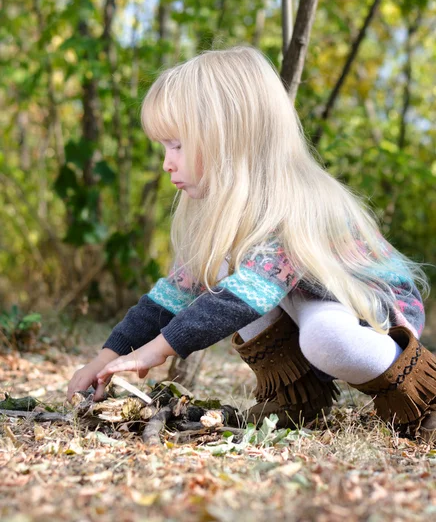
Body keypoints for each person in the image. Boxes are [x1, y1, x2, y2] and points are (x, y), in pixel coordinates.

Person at [67, 46, 435, 442]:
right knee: (222, 269)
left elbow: (241, 299)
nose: (166, 163)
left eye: (176, 145)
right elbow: (170, 297)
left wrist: (157, 350)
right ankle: (295, 395)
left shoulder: (293, 202)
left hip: (369, 308)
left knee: (321, 336)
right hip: (307, 298)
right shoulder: (220, 212)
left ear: (227, 139)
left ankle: (422, 394)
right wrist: (106, 358)